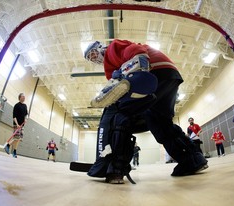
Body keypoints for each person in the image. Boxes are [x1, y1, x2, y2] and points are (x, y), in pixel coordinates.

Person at [84, 39, 208, 184]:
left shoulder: (112, 49)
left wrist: (140, 61)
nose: (94, 58)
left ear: (99, 47)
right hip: (170, 75)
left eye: (93, 53)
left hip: (153, 71)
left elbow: (133, 49)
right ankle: (192, 160)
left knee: (120, 115)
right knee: (159, 121)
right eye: (90, 59)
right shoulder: (111, 68)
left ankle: (116, 168)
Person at [4, 93, 28, 158]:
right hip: (16, 124)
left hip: (22, 125)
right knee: (16, 138)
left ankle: (14, 151)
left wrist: (25, 119)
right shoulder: (16, 105)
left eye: (24, 97)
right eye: (23, 96)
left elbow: (26, 114)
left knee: (18, 139)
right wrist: (17, 124)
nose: (24, 98)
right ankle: (8, 146)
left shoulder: (25, 106)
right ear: (20, 97)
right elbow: (14, 117)